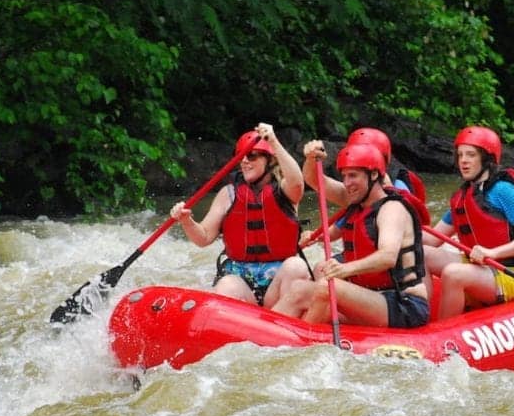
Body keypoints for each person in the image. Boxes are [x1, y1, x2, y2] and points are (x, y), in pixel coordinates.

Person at [272, 143, 430, 328]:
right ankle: (265, 335)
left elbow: (387, 257)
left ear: (373, 175)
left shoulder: (392, 209)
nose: (347, 183)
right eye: (344, 176)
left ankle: (296, 343)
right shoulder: (355, 199)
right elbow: (315, 180)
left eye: (353, 175)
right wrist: (310, 158)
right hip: (370, 297)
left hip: (403, 304)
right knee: (299, 289)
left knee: (327, 286)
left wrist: (345, 269)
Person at [170, 122, 310, 307]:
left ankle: (285, 324)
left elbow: (297, 182)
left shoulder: (286, 190)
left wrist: (273, 141)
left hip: (279, 279)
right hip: (241, 277)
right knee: (226, 285)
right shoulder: (227, 194)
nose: (245, 161)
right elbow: (203, 238)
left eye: (251, 155)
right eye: (241, 157)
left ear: (270, 161)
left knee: (297, 266)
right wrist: (187, 221)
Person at [422, 126, 514, 320]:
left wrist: (493, 253)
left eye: (471, 155)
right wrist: (402, 224)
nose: (463, 161)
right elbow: (431, 240)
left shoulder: (504, 190)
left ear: (486, 159)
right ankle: (421, 316)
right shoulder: (462, 197)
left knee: (453, 273)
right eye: (460, 155)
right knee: (423, 254)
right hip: (482, 270)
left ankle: (442, 333)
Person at [298, 127, 427, 250]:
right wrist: (311, 158)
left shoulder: (398, 193)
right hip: (364, 261)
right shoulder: (359, 191)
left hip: (392, 261)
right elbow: (315, 180)